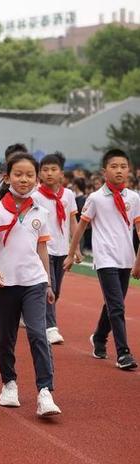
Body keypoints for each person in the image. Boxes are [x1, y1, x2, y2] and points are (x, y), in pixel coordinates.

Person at [0, 152, 61, 418]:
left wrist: (48, 282)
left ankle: (45, 392)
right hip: (4, 282)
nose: (24, 179)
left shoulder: (41, 211)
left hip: (34, 282)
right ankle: (9, 384)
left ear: (36, 179)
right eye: (18, 174)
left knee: (39, 334)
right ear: (7, 177)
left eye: (29, 175)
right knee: (6, 337)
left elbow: (43, 250)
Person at [65, 148, 139, 371]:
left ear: (129, 170)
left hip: (125, 258)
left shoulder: (134, 198)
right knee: (117, 306)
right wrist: (72, 252)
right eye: (114, 166)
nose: (119, 170)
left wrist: (138, 260)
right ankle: (123, 353)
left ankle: (99, 337)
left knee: (113, 304)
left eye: (123, 167)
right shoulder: (95, 198)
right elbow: (81, 226)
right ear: (104, 170)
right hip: (105, 258)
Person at [31, 153, 80, 345]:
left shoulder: (68, 195)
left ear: (61, 173)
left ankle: (34, 314)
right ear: (40, 174)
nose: (49, 173)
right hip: (43, 248)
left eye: (54, 169)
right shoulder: (35, 196)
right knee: (48, 287)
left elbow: (73, 221)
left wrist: (74, 248)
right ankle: (50, 327)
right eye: (45, 170)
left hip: (62, 249)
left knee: (56, 290)